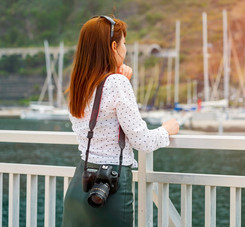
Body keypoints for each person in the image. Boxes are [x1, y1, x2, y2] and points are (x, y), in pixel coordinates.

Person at [62, 15, 179, 227]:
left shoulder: (79, 84)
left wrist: (119, 76)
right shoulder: (116, 83)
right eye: (124, 43)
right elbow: (142, 141)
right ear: (113, 46)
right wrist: (166, 129)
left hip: (80, 186)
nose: (125, 49)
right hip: (111, 187)